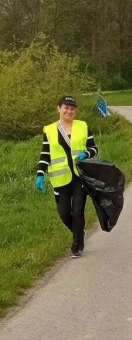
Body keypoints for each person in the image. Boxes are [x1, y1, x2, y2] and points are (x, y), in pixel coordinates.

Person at [34, 96, 98, 257]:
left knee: (77, 212)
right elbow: (45, 154)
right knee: (64, 214)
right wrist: (40, 173)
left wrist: (86, 153)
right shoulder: (49, 130)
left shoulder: (82, 126)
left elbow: (94, 148)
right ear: (59, 109)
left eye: (72, 108)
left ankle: (77, 243)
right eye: (66, 108)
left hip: (80, 176)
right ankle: (79, 232)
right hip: (60, 178)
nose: (69, 111)